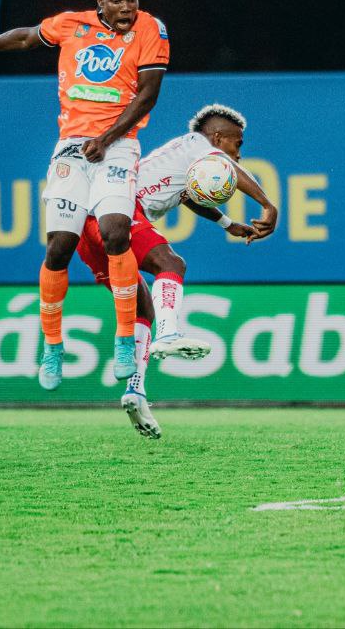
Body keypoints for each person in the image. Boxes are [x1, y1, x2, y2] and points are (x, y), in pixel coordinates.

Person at [0, 0, 168, 392]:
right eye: (116, 0)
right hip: (71, 146)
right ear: (99, 0)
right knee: (59, 247)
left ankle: (123, 340)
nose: (126, 7)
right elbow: (26, 36)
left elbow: (149, 93)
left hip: (117, 143)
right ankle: (52, 346)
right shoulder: (71, 24)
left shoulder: (151, 29)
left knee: (116, 231)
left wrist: (108, 136)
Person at [76, 103, 279, 438]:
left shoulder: (182, 157)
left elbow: (188, 197)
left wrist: (227, 223)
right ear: (217, 137)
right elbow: (225, 164)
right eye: (237, 144)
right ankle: (168, 333)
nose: (238, 154)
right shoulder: (199, 146)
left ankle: (135, 391)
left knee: (142, 306)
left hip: (90, 229)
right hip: (116, 212)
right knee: (172, 264)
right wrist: (267, 205)